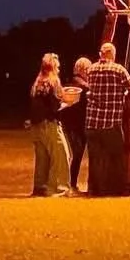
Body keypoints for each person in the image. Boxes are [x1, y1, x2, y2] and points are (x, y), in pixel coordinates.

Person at [84, 41, 130, 196]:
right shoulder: (119, 69)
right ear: (112, 54)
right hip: (111, 122)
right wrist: (123, 94)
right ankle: (115, 189)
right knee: (116, 157)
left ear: (101, 54)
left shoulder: (91, 69)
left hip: (92, 122)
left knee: (95, 158)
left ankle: (95, 188)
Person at [26, 53, 71, 197]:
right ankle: (60, 187)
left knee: (42, 158)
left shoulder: (37, 82)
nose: (59, 68)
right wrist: (68, 103)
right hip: (50, 124)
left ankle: (40, 186)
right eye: (57, 66)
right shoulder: (54, 81)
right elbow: (55, 107)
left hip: (36, 126)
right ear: (53, 66)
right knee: (62, 155)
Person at [59, 57, 91, 191]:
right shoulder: (84, 86)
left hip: (70, 123)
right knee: (77, 154)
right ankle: (70, 183)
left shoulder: (69, 84)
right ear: (84, 70)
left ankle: (71, 183)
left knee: (76, 154)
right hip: (78, 124)